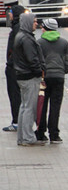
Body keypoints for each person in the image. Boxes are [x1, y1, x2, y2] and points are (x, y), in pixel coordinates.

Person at [35, 18, 68, 143]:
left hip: (44, 78)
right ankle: (54, 134)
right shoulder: (64, 43)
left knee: (42, 105)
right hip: (58, 78)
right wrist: (63, 70)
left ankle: (41, 133)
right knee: (55, 106)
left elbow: (36, 61)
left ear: (45, 28)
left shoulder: (39, 43)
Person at [12, 13, 45, 146]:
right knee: (29, 108)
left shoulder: (21, 36)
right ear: (27, 23)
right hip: (29, 76)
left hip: (22, 75)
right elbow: (32, 59)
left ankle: (22, 137)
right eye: (34, 22)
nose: (36, 24)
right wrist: (39, 71)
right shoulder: (26, 39)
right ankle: (28, 137)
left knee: (24, 107)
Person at [3, 3, 25, 132]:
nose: (9, 14)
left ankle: (17, 121)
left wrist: (11, 63)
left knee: (15, 95)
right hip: (16, 66)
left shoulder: (17, 29)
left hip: (14, 67)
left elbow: (15, 49)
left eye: (11, 12)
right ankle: (18, 120)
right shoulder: (18, 28)